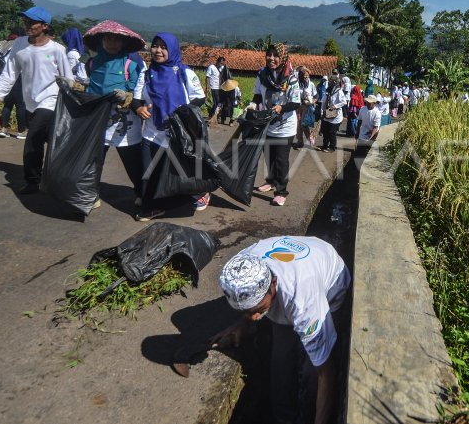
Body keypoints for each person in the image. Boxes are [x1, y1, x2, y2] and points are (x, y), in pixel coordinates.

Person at [215, 236, 351, 424]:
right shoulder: (240, 266)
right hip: (295, 265)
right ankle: (283, 417)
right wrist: (241, 324)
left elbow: (325, 374)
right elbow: (249, 309)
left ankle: (307, 415)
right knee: (281, 357)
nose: (255, 318)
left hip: (330, 281)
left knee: (312, 369)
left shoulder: (303, 300)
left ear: (272, 284)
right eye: (247, 312)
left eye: (258, 310)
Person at [0, 7, 73, 194]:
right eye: (25, 22)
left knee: (33, 137)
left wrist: (68, 102)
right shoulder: (19, 45)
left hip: (51, 100)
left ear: (44, 26)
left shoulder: (57, 50)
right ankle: (54, 174)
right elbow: (10, 73)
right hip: (30, 101)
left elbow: (68, 79)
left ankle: (33, 181)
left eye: (31, 22)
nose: (27, 25)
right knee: (50, 140)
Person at [132, 32, 210, 221]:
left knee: (181, 174)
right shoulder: (147, 74)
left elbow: (200, 98)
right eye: (155, 46)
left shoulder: (184, 73)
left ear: (172, 49)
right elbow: (136, 100)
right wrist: (139, 109)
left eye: (164, 47)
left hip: (177, 136)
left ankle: (200, 193)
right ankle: (152, 206)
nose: (158, 51)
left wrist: (181, 113)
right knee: (147, 173)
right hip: (151, 133)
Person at [82, 20, 146, 209]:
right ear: (101, 41)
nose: (112, 43)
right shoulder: (92, 63)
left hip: (125, 123)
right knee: (94, 160)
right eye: (108, 38)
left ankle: (142, 193)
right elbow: (89, 85)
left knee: (132, 162)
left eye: (117, 39)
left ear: (124, 43)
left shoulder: (131, 65)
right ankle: (91, 194)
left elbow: (138, 91)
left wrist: (128, 98)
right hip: (99, 119)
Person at [252, 41, 300, 207]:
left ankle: (281, 191)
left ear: (283, 57)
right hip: (267, 124)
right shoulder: (262, 74)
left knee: (280, 160)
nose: (271, 58)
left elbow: (295, 103)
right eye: (269, 54)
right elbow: (258, 95)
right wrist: (252, 106)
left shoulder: (291, 77)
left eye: (275, 55)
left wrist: (281, 108)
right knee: (269, 156)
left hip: (285, 127)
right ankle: (271, 181)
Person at [0, 29, 27, 139]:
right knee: (20, 104)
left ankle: (3, 129)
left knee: (7, 104)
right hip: (16, 76)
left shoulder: (1, 43)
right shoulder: (19, 44)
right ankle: (22, 131)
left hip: (1, 77)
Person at [319, 70, 347, 153]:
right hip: (327, 113)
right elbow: (323, 102)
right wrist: (321, 111)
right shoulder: (328, 91)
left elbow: (344, 102)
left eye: (331, 81)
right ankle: (324, 145)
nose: (330, 83)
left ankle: (332, 147)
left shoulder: (339, 91)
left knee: (332, 132)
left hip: (335, 115)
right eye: (330, 81)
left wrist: (335, 106)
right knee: (325, 131)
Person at [294, 66, 317, 149]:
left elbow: (316, 96)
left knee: (304, 125)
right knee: (298, 125)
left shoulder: (311, 84)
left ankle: (310, 138)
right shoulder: (297, 84)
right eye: (304, 75)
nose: (305, 76)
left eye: (307, 75)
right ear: (300, 76)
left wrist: (312, 101)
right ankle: (300, 141)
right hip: (298, 106)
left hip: (307, 107)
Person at [205, 56, 223, 123]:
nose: (221, 65)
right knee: (216, 102)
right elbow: (207, 77)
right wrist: (207, 87)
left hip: (219, 88)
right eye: (220, 63)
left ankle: (214, 114)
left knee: (219, 102)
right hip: (213, 87)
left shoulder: (220, 69)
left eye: (222, 64)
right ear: (217, 62)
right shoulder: (211, 67)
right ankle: (212, 115)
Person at [219, 60, 236, 126]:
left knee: (231, 110)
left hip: (231, 102)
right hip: (226, 101)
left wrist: (238, 100)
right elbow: (221, 98)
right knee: (225, 109)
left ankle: (230, 122)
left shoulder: (234, 88)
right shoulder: (223, 88)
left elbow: (236, 96)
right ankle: (223, 120)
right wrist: (220, 105)